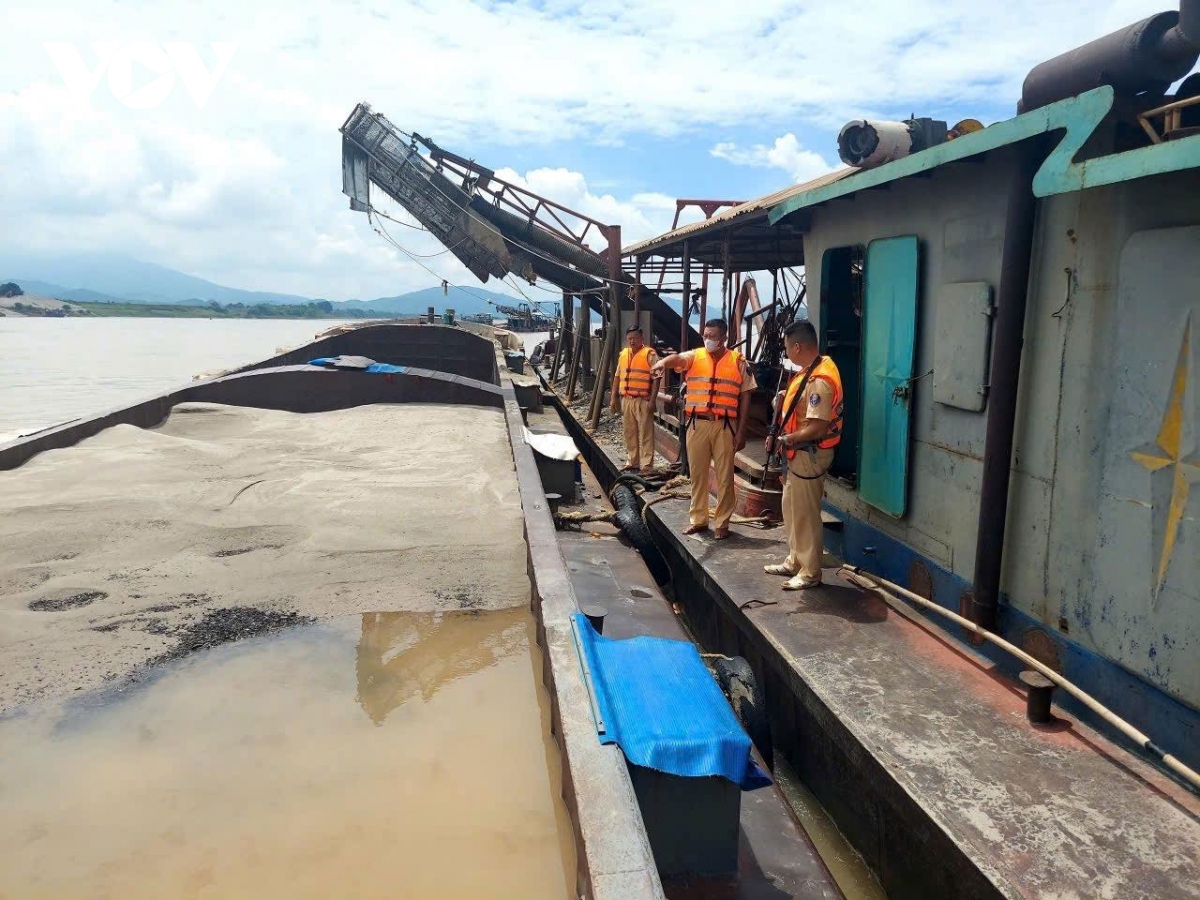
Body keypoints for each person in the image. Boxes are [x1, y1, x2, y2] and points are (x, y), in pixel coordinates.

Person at [652, 318, 756, 539]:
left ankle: (722, 523)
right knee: (697, 473)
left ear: (724, 338)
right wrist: (662, 362)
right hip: (697, 423)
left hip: (724, 425)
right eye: (705, 335)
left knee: (725, 475)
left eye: (713, 336)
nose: (708, 340)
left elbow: (746, 396)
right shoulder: (695, 356)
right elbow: (677, 358)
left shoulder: (738, 361)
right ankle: (698, 520)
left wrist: (742, 431)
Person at [763, 319, 843, 590]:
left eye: (786, 347)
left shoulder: (820, 380)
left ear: (797, 346)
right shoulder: (810, 371)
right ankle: (795, 560)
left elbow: (817, 426)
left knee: (806, 513)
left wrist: (785, 439)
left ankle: (810, 571)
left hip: (808, 455)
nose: (785, 352)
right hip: (796, 456)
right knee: (791, 508)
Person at [609, 326, 660, 474]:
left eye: (635, 338)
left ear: (641, 338)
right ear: (627, 339)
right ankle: (633, 461)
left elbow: (657, 379)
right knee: (629, 431)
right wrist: (614, 397)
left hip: (643, 400)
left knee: (646, 432)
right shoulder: (624, 354)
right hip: (627, 399)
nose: (632, 341)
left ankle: (647, 465)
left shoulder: (650, 354)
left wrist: (652, 401)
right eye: (630, 338)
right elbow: (617, 377)